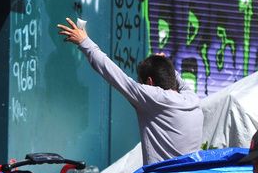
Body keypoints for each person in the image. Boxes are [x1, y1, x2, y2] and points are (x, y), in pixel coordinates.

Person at [57, 17, 203, 164]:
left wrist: (84, 42)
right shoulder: (192, 99)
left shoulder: (154, 98)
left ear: (149, 82)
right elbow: (177, 80)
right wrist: (162, 64)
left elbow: (113, 73)